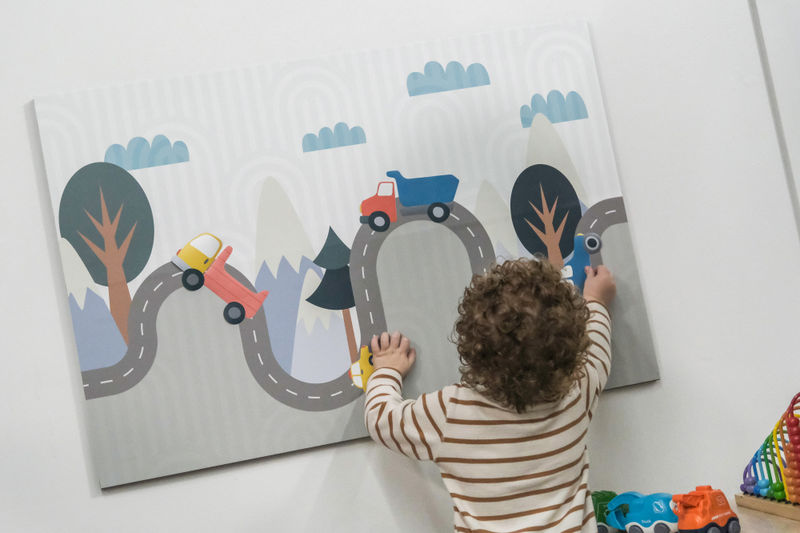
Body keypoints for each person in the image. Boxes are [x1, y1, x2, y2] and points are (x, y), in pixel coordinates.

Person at [364, 259, 616, 533]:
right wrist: (595, 300)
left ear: (473, 346)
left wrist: (387, 370)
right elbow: (598, 350)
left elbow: (381, 420)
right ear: (571, 348)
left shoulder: (451, 413)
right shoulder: (578, 394)